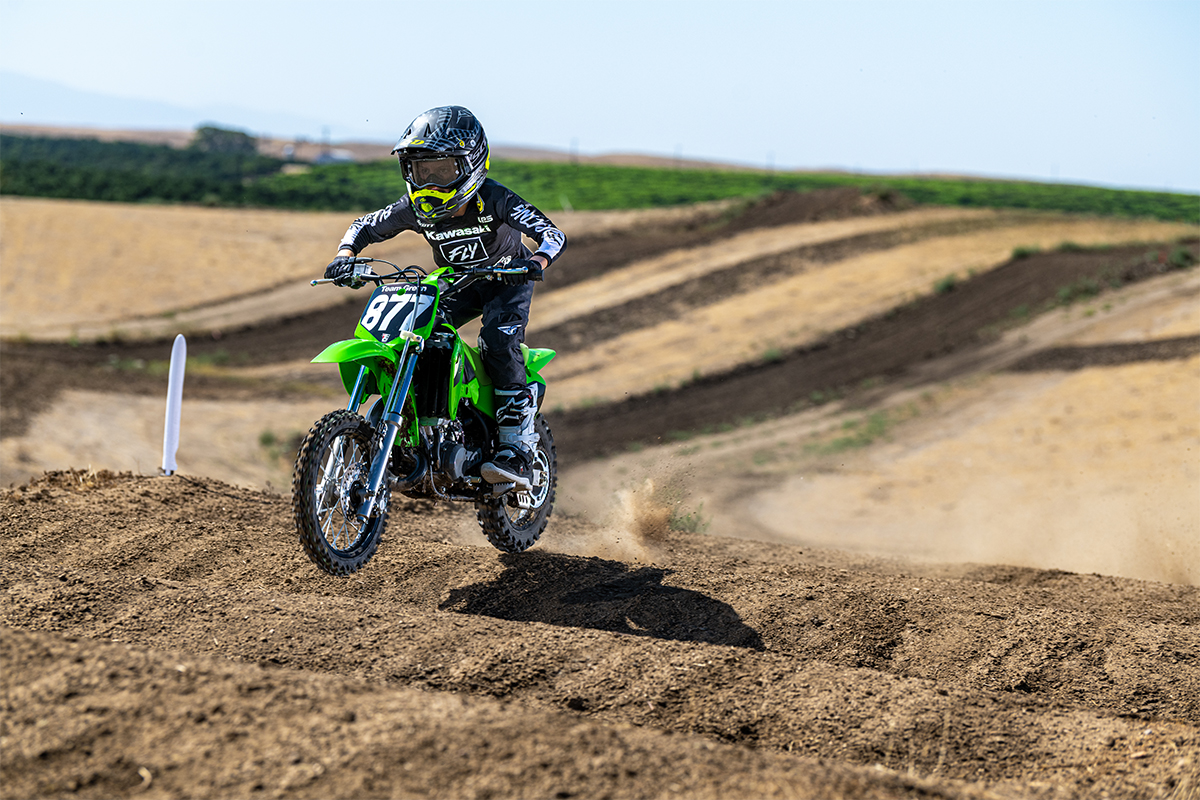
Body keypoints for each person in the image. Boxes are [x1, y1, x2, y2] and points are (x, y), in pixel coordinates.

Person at [324, 106, 566, 488]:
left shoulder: (496, 198)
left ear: (471, 165)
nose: (431, 182)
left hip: (508, 279)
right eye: (423, 172)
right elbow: (364, 226)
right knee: (419, 334)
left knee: (498, 342)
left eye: (442, 170)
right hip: (457, 282)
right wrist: (344, 256)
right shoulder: (416, 211)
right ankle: (427, 423)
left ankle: (516, 448)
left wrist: (536, 260)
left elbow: (552, 233)